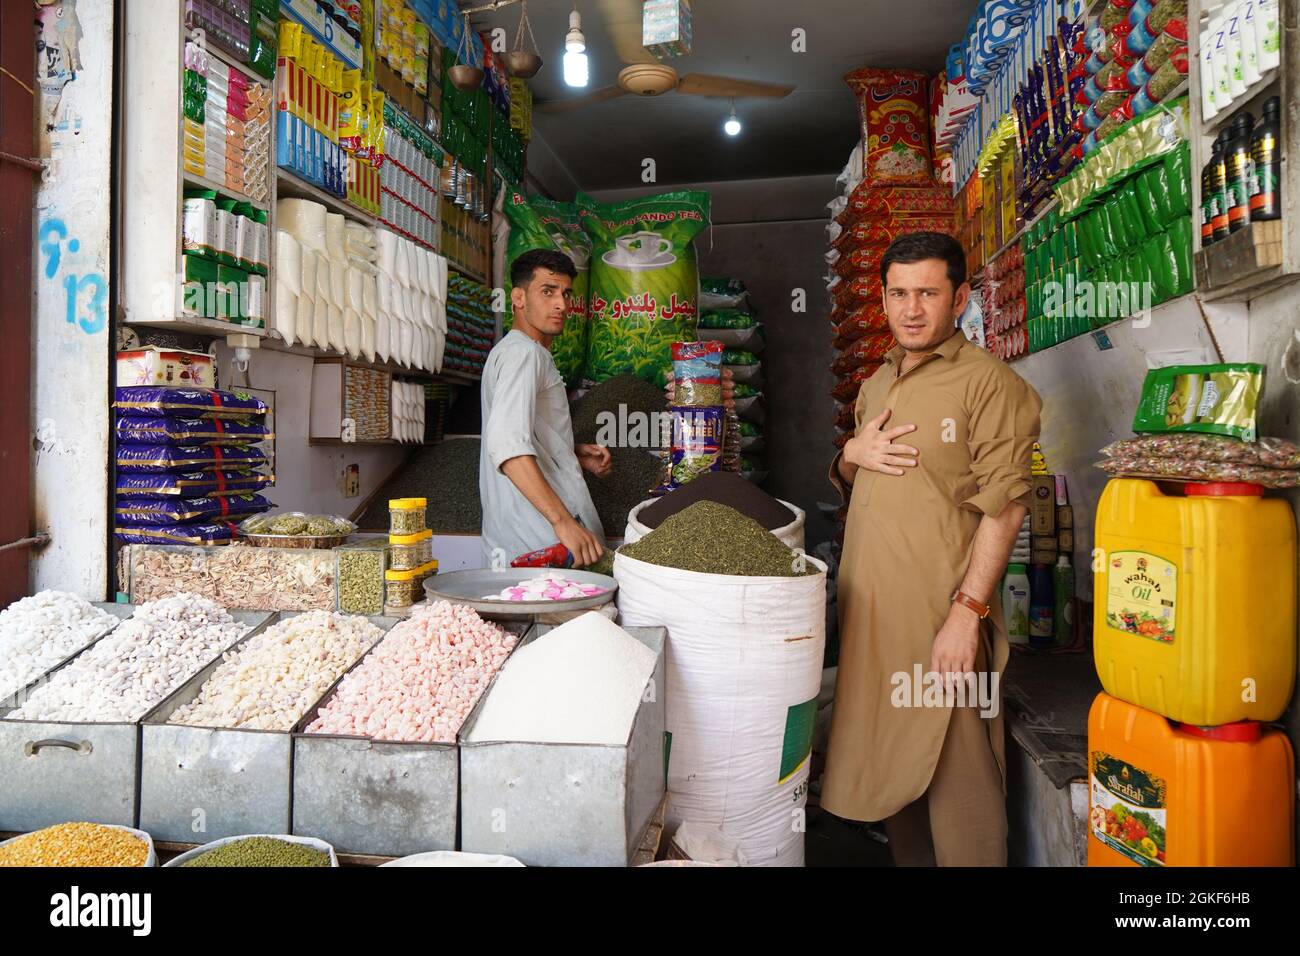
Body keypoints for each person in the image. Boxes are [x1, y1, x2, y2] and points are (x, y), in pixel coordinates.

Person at [821, 231, 1042, 866]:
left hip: (941, 616)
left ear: (960, 298)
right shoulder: (876, 383)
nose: (910, 309)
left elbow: (1006, 503)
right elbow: (861, 474)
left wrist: (967, 613)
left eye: (927, 293)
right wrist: (848, 456)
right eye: (898, 293)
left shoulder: (989, 384)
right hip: (876, 621)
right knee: (895, 777)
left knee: (959, 780)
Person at [479, 249, 610, 567]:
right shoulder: (525, 355)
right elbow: (508, 447)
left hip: (529, 549)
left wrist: (568, 452)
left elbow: (516, 434)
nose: (561, 305)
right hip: (543, 550)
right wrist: (563, 522)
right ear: (519, 298)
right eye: (548, 291)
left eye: (566, 294)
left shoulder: (510, 352)